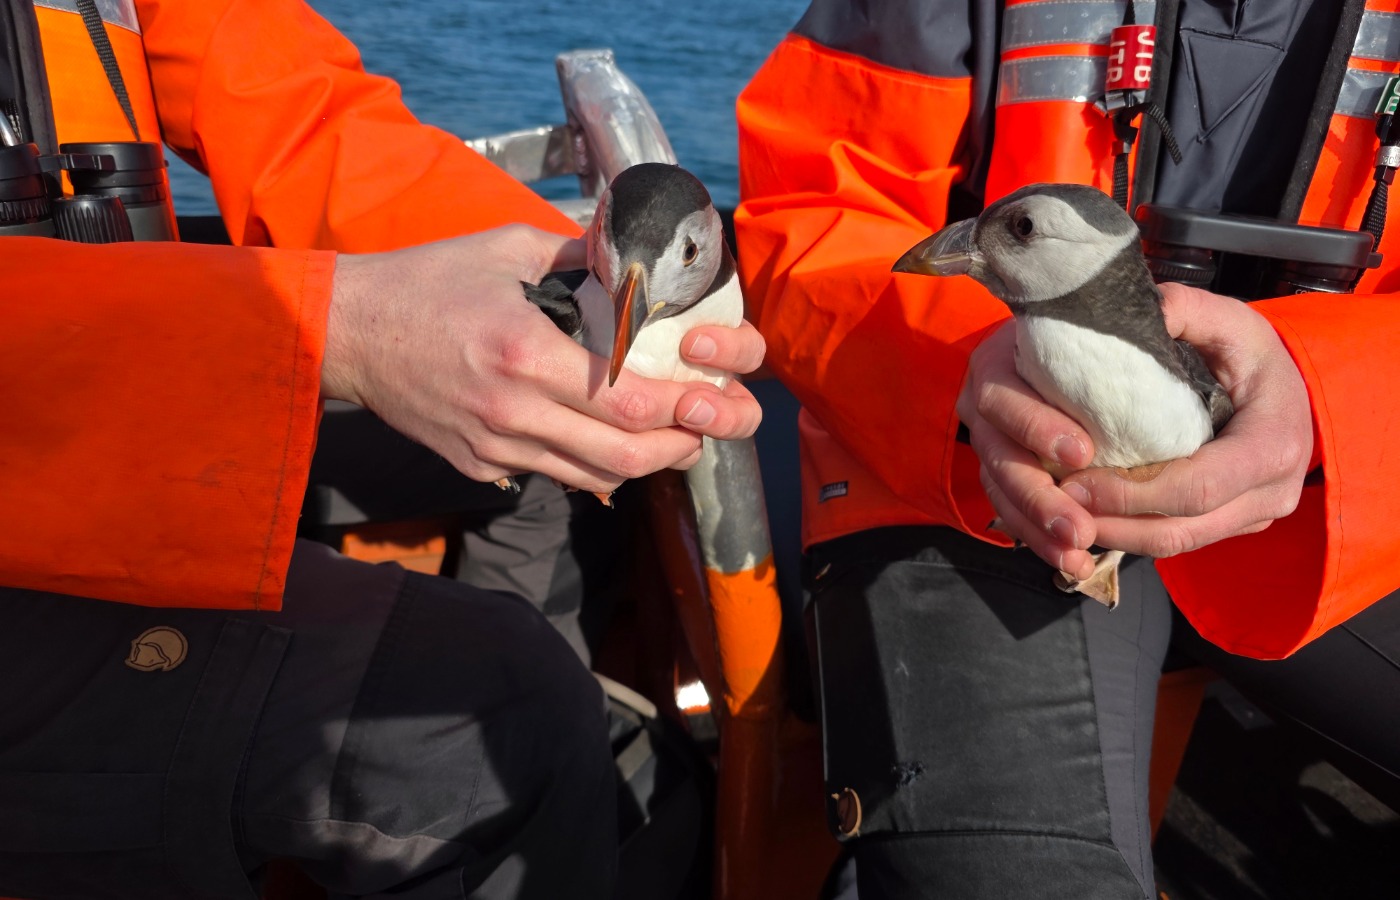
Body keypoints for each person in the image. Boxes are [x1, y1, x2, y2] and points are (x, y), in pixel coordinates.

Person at [0, 1, 765, 898]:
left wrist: (567, 289)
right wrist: (339, 331)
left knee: (545, 458)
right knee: (515, 715)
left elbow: (301, 118)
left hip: (116, 426)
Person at [735, 0, 1400, 897]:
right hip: (966, 482)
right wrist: (978, 384)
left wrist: (1336, 399)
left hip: (1357, 498)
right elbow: (804, 212)